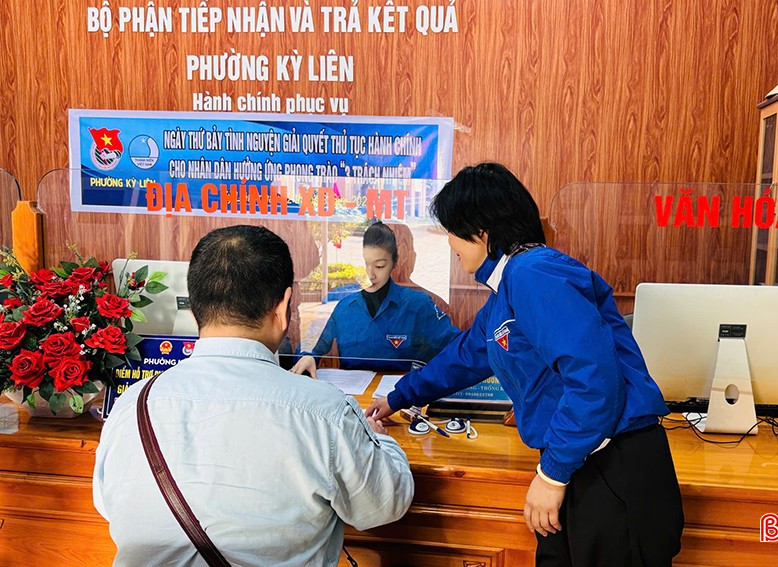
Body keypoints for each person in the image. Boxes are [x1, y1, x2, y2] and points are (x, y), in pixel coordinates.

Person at [368, 163, 684, 566]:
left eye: (452, 230)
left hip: (612, 464)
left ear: (481, 231)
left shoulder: (534, 273)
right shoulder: (506, 289)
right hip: (579, 457)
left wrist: (552, 474)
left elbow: (593, 380)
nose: (450, 243)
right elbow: (465, 357)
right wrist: (397, 398)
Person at [93, 225, 414, 566]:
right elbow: (386, 504)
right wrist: (381, 440)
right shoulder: (325, 413)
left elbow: (108, 504)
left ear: (193, 309)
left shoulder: (132, 406)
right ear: (283, 308)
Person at [291, 221, 460, 376]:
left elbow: (456, 346)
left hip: (401, 394)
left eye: (379, 266)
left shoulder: (418, 305)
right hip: (353, 395)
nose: (370, 274)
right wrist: (307, 356)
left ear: (394, 263)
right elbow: (311, 343)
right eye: (366, 264)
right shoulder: (343, 306)